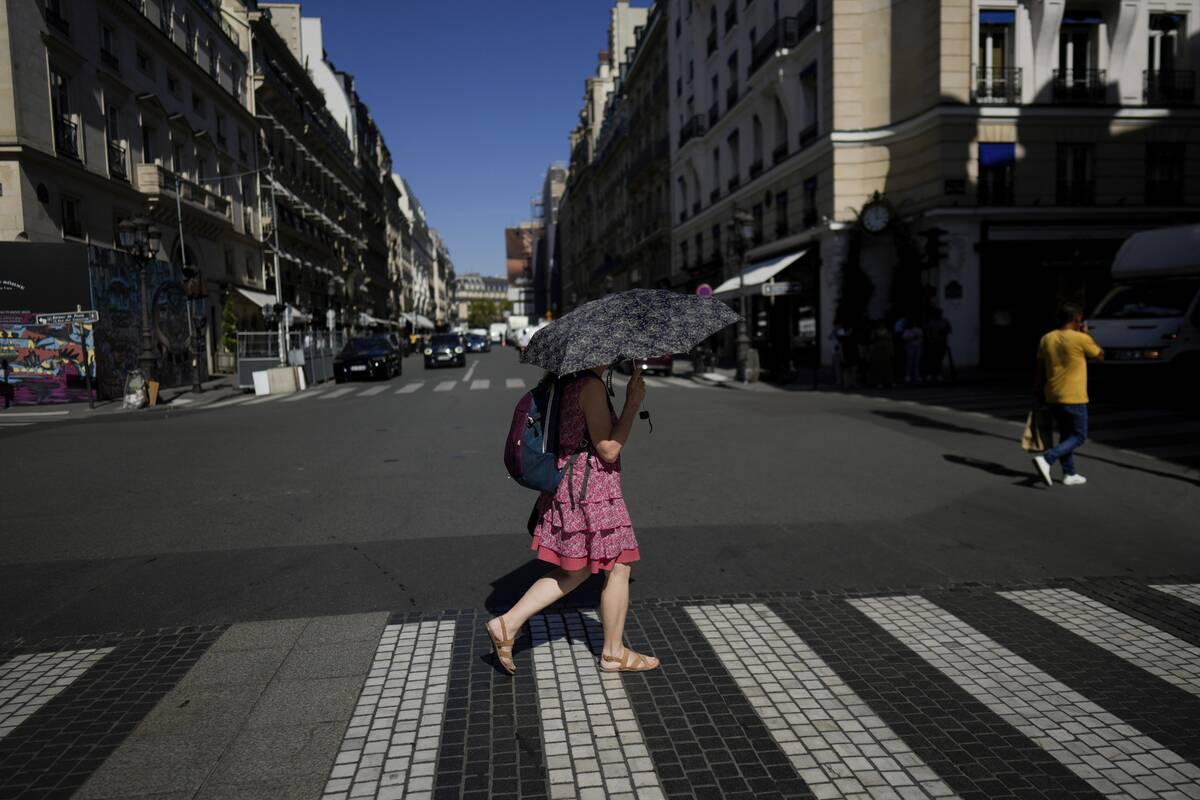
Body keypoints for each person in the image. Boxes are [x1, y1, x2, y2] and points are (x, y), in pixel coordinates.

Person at [485, 366, 658, 674]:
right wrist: (632, 403)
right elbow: (608, 448)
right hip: (593, 491)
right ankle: (613, 653)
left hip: (571, 485)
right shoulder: (590, 386)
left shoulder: (568, 382)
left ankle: (507, 624)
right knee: (618, 565)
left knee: (575, 571)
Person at [1032, 302, 1104, 487]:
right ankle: (1047, 459)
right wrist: (1086, 334)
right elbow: (1100, 356)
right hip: (1073, 397)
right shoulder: (1080, 339)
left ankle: (1069, 474)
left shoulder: (1046, 338)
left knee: (1066, 435)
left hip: (1052, 395)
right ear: (1077, 319)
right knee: (1079, 436)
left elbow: (1039, 371)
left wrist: (1037, 393)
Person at [922, 308, 951, 381]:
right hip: (933, 343)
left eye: (939, 313)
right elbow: (928, 332)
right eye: (937, 313)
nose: (938, 314)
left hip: (941, 343)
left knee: (939, 359)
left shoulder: (945, 321)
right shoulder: (931, 322)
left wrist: (944, 331)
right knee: (932, 359)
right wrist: (930, 340)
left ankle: (938, 374)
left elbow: (949, 330)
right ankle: (931, 374)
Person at [866, 321, 894, 388]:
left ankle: (888, 382)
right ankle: (878, 382)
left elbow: (891, 342)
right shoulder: (875, 332)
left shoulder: (888, 332)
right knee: (878, 367)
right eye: (880, 325)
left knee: (887, 367)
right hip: (877, 351)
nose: (881, 326)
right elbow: (872, 340)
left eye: (883, 325)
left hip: (886, 351)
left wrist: (892, 351)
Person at [901, 317, 924, 384]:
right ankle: (908, 375)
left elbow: (921, 338)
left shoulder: (919, 330)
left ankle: (917, 376)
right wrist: (912, 337)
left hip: (918, 347)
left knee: (917, 362)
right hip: (910, 347)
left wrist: (919, 341)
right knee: (909, 361)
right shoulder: (907, 330)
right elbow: (904, 338)